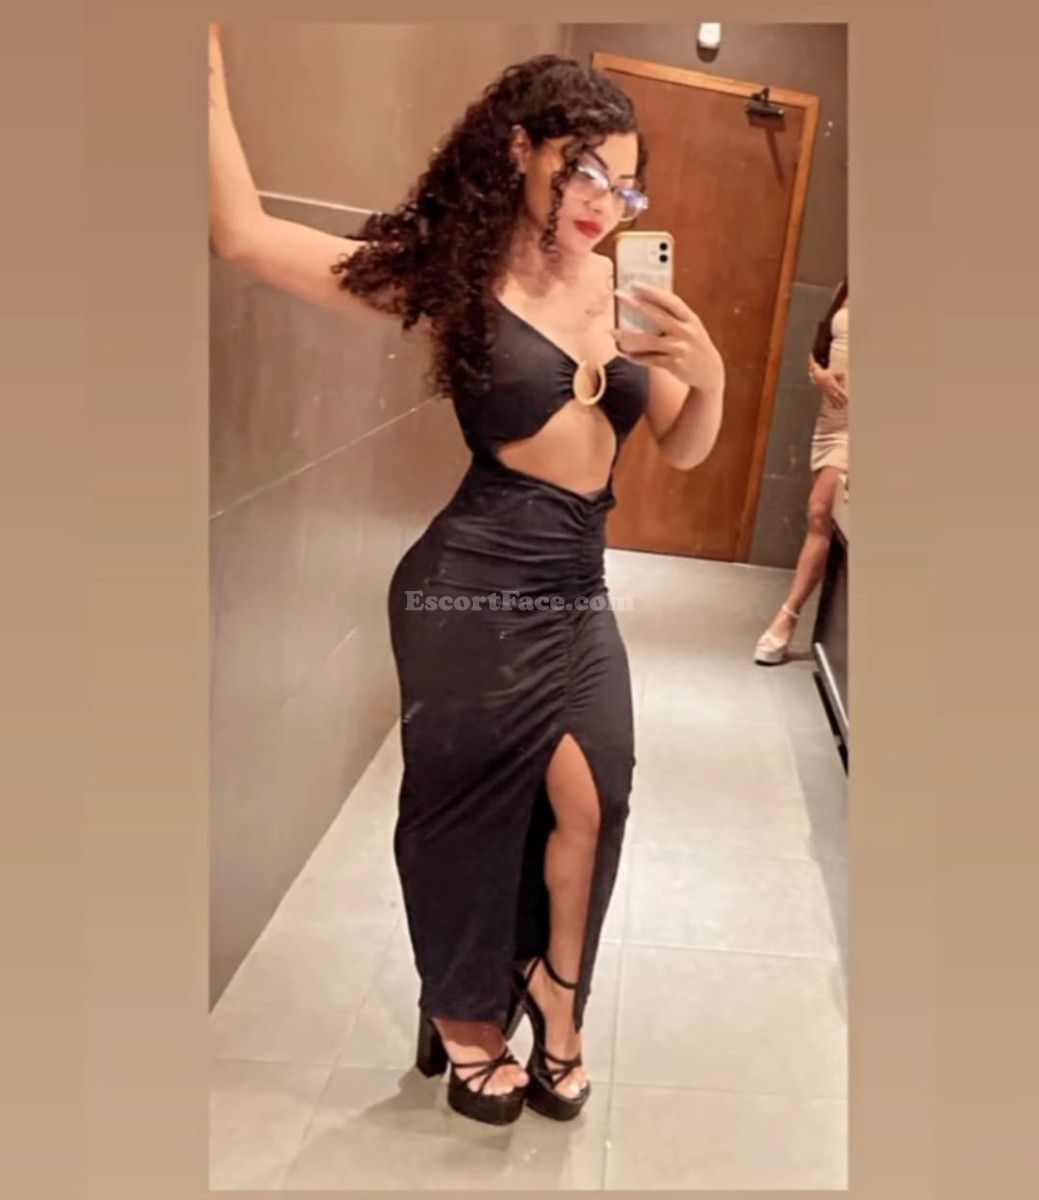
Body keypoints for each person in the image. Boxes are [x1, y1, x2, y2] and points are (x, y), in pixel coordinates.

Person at [209, 25, 724, 1126]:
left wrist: (710, 374)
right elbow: (244, 234)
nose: (603, 204)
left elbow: (683, 447)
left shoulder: (623, 289)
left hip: (574, 587)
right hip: (467, 585)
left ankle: (555, 994)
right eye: (584, 173)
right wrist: (197, 70)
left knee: (597, 796)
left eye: (623, 187)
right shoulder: (454, 276)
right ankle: (465, 1017)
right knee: (465, 808)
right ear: (518, 151)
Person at [755, 279, 848, 666]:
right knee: (823, 522)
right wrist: (819, 375)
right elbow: (819, 347)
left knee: (819, 511)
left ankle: (787, 617)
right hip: (828, 424)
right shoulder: (848, 284)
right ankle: (826, 633)